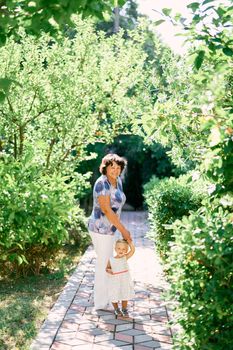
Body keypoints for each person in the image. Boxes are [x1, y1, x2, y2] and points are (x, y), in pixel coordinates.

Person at [88, 153, 132, 310]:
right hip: (100, 229)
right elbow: (106, 209)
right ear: (105, 168)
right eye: (112, 167)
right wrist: (124, 230)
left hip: (111, 229)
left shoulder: (117, 181)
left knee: (108, 263)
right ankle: (100, 303)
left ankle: (107, 297)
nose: (115, 170)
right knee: (103, 264)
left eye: (118, 167)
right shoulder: (102, 184)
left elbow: (117, 207)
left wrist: (118, 228)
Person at [106, 239, 135, 317]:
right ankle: (116, 308)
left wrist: (129, 242)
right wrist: (109, 270)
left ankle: (124, 309)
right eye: (119, 248)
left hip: (124, 280)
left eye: (123, 249)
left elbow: (133, 251)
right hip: (115, 280)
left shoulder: (125, 257)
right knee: (114, 294)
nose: (121, 250)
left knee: (124, 293)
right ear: (115, 249)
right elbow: (107, 268)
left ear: (126, 250)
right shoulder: (111, 259)